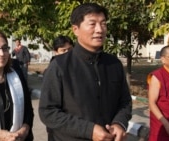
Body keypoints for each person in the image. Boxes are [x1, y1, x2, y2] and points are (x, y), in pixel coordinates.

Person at [39, 3, 132, 141]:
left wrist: (119, 123)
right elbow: (48, 111)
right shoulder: (59, 65)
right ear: (76, 29)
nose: (100, 30)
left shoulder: (114, 64)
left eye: (103, 24)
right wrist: (89, 130)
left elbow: (125, 102)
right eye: (92, 24)